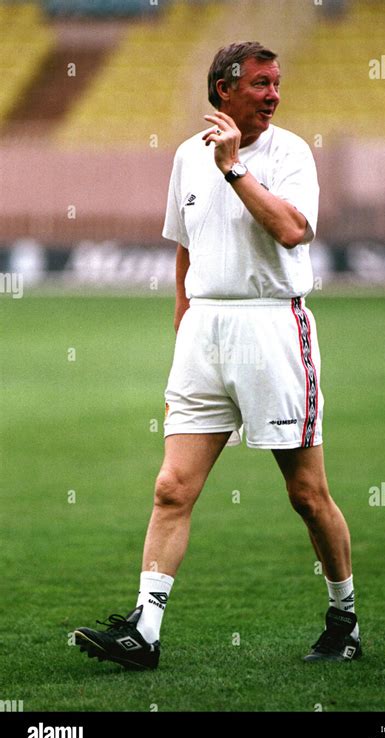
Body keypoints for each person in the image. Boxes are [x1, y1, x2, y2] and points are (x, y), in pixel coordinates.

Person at [74, 41, 362, 670]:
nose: (273, 94)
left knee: (307, 494)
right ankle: (144, 631)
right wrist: (183, 327)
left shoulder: (289, 153)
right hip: (205, 332)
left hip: (272, 328)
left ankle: (344, 618)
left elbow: (290, 230)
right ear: (223, 88)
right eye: (261, 83)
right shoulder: (185, 156)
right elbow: (183, 247)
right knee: (172, 487)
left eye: (276, 83)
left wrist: (236, 170)